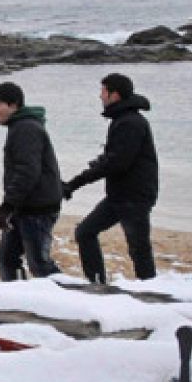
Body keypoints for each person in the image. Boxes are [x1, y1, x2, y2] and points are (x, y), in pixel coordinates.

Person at [63, 73, 158, 283]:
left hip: (134, 197)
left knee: (139, 249)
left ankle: (151, 292)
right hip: (119, 196)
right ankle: (97, 284)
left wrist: (76, 182)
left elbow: (118, 163)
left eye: (103, 91)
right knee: (85, 232)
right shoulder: (121, 120)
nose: (100, 96)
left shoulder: (131, 123)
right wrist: (98, 163)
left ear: (115, 94)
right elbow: (115, 157)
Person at [0, 81, 62, 281]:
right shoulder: (19, 126)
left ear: (14, 105)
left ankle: (67, 300)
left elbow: (27, 171)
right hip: (24, 206)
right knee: (7, 260)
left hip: (37, 208)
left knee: (39, 264)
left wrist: (7, 206)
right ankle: (17, 298)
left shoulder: (25, 129)